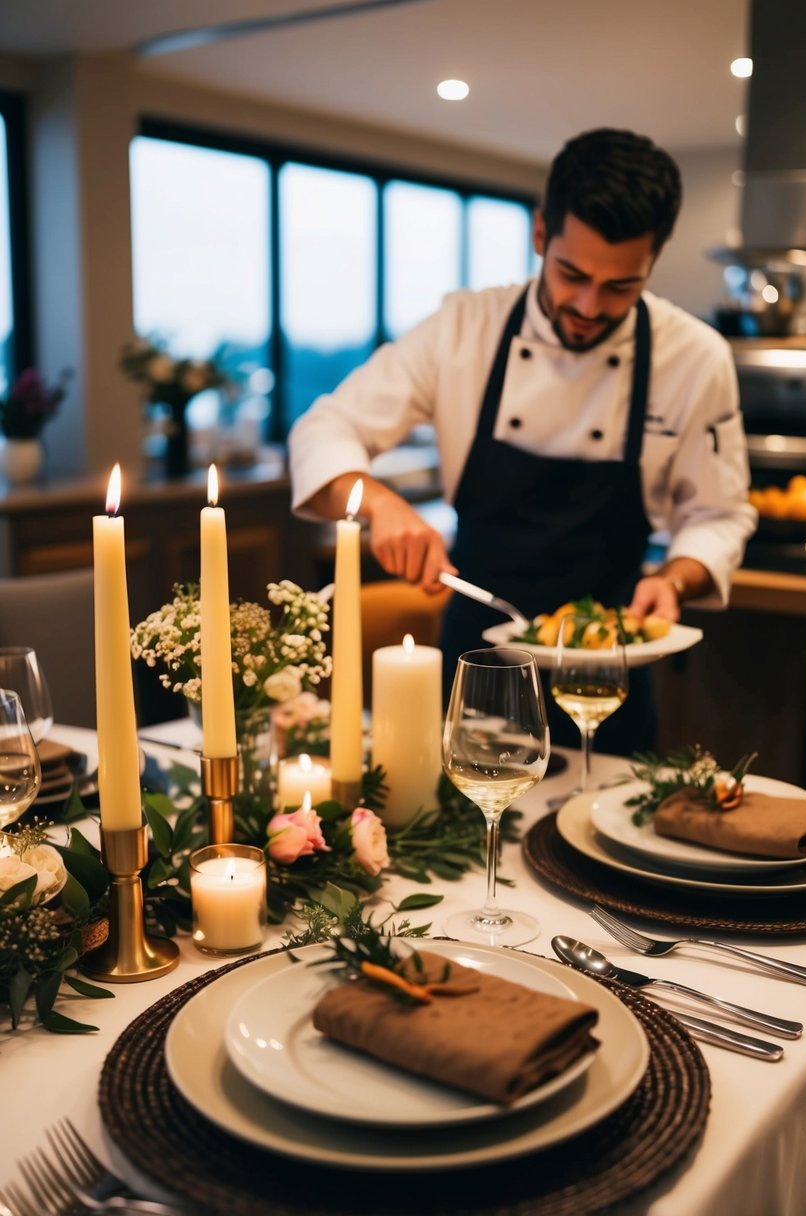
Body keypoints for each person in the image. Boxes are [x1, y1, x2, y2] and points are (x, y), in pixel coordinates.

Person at [289, 128, 757, 755]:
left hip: (605, 683)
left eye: (621, 286)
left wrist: (676, 577)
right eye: (571, 274)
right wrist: (379, 503)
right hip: (474, 665)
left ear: (655, 257)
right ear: (541, 234)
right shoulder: (463, 329)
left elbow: (719, 513)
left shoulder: (695, 357)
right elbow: (324, 428)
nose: (590, 305)